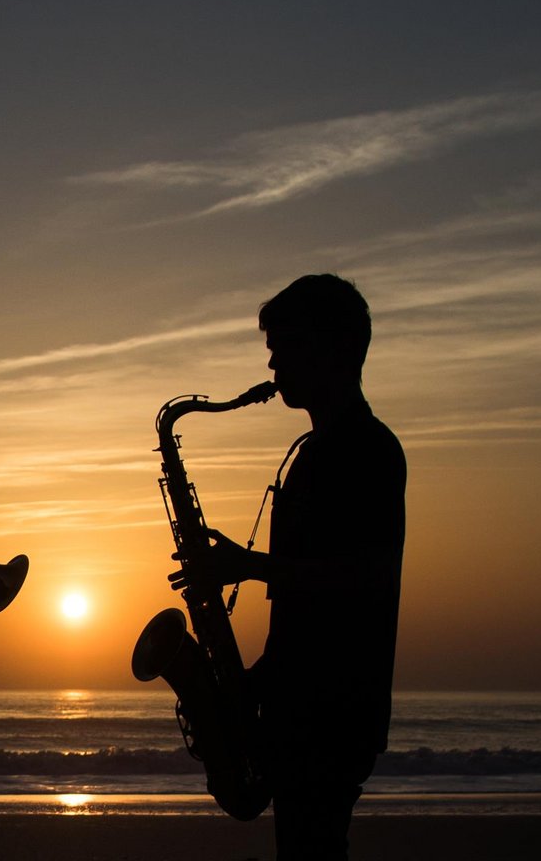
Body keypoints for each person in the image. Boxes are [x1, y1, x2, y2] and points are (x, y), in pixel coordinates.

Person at [171, 274, 405, 860]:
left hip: (332, 713)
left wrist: (247, 565)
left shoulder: (367, 450)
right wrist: (250, 684)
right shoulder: (315, 452)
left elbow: (364, 578)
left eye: (283, 347)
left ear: (328, 347)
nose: (272, 366)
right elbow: (302, 613)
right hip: (309, 706)